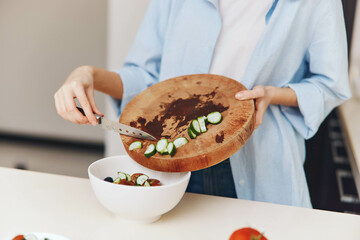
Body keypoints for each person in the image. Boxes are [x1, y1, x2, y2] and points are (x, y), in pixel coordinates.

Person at [54, 0, 351, 208]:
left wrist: (274, 94)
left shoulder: (316, 3)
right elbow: (147, 78)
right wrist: (88, 74)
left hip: (261, 167)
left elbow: (330, 85)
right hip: (174, 165)